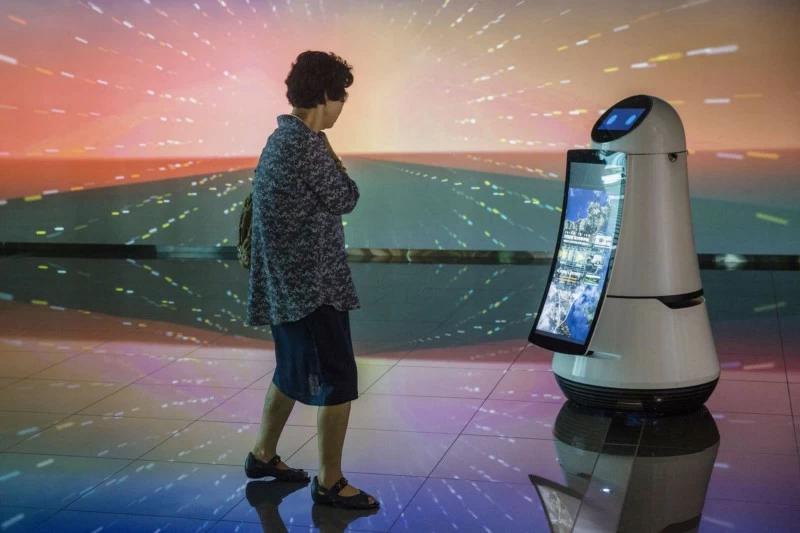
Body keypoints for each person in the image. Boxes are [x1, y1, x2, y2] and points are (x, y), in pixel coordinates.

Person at [244, 50, 379, 510]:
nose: (342, 106)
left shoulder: (279, 140)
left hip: (287, 287)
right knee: (337, 381)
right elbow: (347, 197)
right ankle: (331, 481)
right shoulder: (306, 145)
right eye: (340, 96)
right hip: (313, 289)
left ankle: (263, 456)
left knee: (289, 371)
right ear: (325, 95)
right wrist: (332, 156)